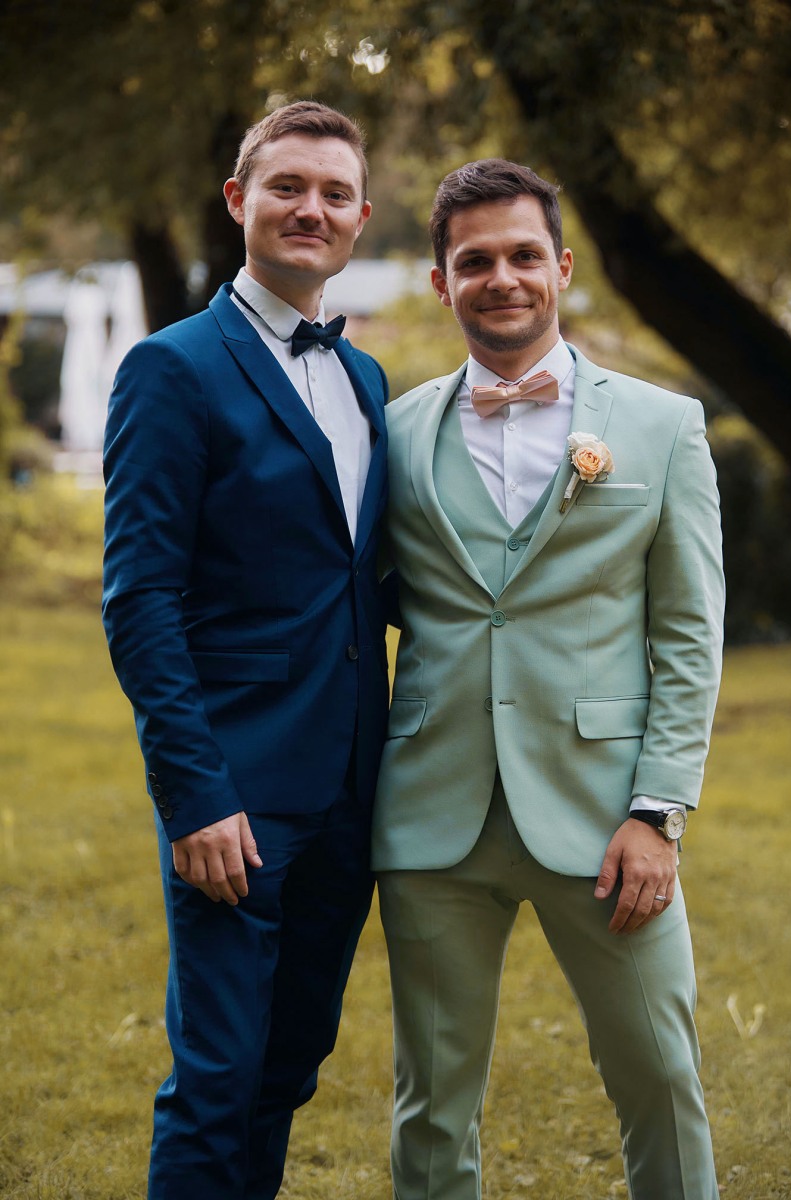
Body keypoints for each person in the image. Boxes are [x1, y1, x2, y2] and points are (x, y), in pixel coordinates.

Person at [373, 159, 724, 1200]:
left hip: (607, 817)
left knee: (660, 1079)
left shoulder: (663, 426)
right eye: (474, 260)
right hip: (431, 816)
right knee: (431, 1106)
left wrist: (658, 812)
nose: (502, 278)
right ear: (440, 282)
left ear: (562, 267)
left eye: (523, 254)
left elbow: (688, 634)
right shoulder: (392, 432)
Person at [102, 101, 390, 1200]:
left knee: (288, 1063)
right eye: (287, 186)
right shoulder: (171, 368)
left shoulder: (365, 381)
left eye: (333, 193)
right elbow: (140, 600)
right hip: (236, 795)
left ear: (360, 217)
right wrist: (195, 795)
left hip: (351, 790)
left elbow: (362, 578)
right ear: (239, 200)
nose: (310, 208)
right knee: (218, 1078)